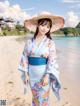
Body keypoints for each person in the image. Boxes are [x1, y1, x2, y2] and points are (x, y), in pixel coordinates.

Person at [18, 12, 64, 106]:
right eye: (43, 25)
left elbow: (52, 60)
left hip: (44, 75)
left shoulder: (50, 43)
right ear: (38, 25)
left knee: (44, 99)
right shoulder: (29, 42)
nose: (45, 28)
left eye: (48, 27)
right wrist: (26, 74)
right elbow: (24, 57)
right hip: (32, 74)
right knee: (35, 98)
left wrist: (47, 75)